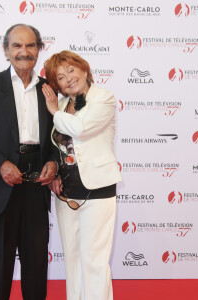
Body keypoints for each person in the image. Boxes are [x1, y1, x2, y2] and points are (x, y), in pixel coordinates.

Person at [0, 24, 59, 300]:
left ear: (39, 49)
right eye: (17, 46)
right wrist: (1, 164)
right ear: (6, 50)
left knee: (37, 266)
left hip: (36, 186)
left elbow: (57, 136)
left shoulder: (49, 90)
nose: (23, 52)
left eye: (30, 45)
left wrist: (53, 164)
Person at [42, 50, 122, 300]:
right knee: (73, 261)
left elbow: (82, 129)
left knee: (94, 263)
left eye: (71, 70)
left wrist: (54, 111)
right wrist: (54, 169)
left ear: (84, 70)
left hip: (97, 190)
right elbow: (57, 144)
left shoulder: (104, 98)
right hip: (66, 193)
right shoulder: (65, 104)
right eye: (61, 78)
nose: (68, 79)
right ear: (59, 86)